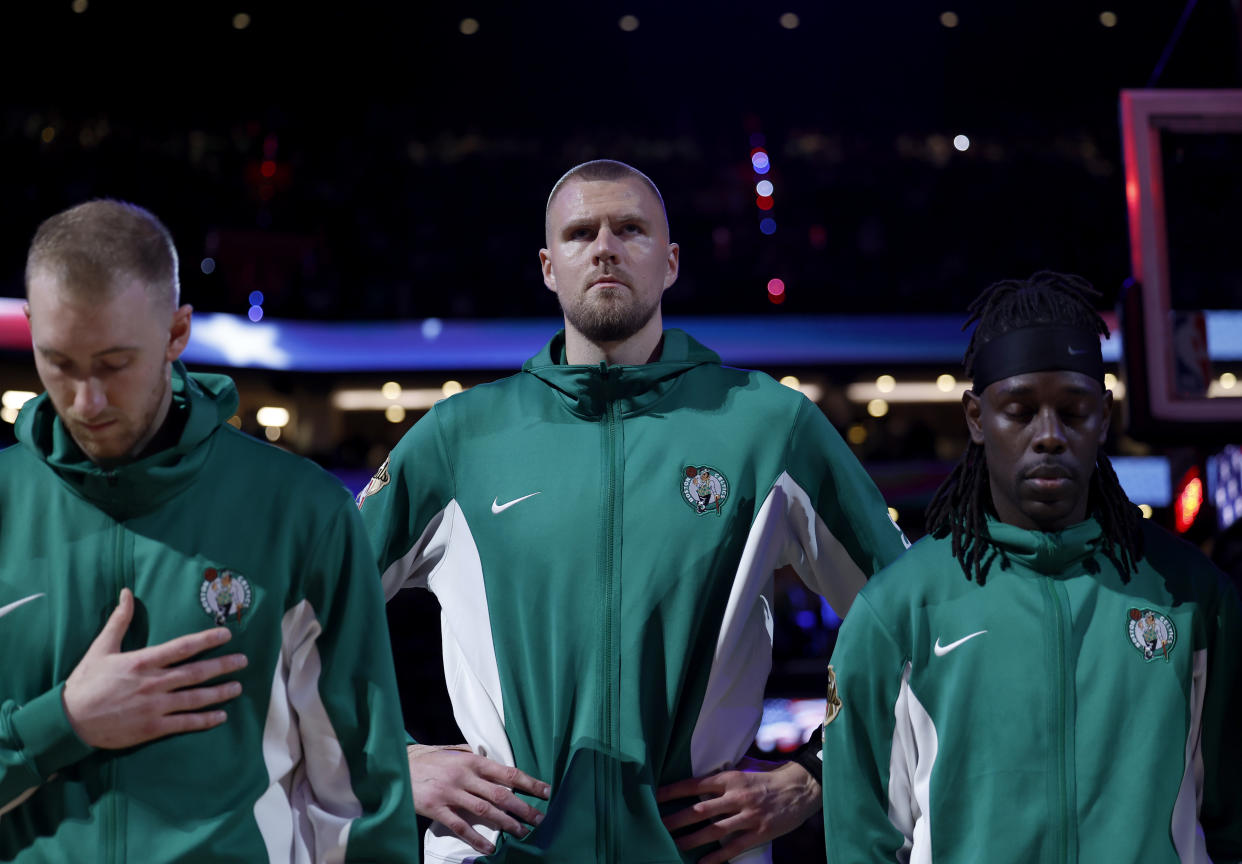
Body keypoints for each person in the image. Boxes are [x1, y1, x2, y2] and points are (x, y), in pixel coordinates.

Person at [359, 159, 909, 863]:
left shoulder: (768, 427)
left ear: (671, 261)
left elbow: (916, 620)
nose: (605, 246)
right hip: (497, 851)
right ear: (549, 266)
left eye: (631, 229)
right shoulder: (461, 438)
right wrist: (389, 759)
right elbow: (302, 616)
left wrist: (817, 775)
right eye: (580, 232)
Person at [0, 200, 420, 861]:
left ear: (176, 332)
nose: (86, 401)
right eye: (59, 363)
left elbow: (359, 794)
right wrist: (63, 723)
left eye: (114, 364)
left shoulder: (301, 511)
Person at [820, 272, 1242, 862]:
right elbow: (861, 841)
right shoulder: (897, 610)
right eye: (1019, 410)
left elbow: (1231, 822)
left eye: (1073, 411)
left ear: (1104, 416)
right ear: (975, 417)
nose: (1049, 436)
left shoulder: (1193, 594)